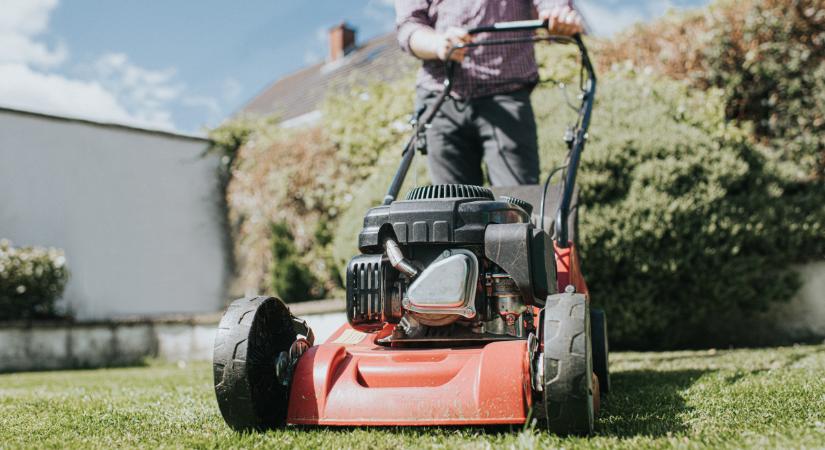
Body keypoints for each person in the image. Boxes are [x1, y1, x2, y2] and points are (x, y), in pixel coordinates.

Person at [395, 1, 584, 187]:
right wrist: (438, 43)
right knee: (451, 205)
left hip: (507, 94)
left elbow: (552, 6)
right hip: (440, 98)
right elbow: (409, 26)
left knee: (516, 203)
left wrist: (558, 15)